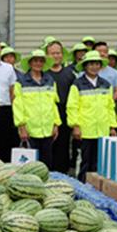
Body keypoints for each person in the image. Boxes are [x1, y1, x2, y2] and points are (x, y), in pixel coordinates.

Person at [66, 51, 117, 182]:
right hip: (85, 131)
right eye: (91, 64)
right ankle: (81, 185)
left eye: (97, 64)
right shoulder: (77, 84)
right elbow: (72, 107)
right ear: (85, 66)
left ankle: (95, 188)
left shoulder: (106, 84)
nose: (94, 67)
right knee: (84, 161)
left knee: (99, 162)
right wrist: (75, 126)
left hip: (102, 130)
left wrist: (112, 126)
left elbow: (110, 107)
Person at [13, 49, 60, 169]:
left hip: (47, 129)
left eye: (41, 61)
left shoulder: (50, 80)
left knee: (46, 164)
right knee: (30, 166)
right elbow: (18, 106)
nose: (38, 63)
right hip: (30, 130)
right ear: (30, 63)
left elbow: (53, 104)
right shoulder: (21, 82)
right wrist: (22, 127)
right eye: (35, 61)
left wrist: (56, 124)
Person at [45, 39, 76, 174]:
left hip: (65, 113)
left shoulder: (70, 74)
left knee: (63, 145)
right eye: (52, 53)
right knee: (48, 145)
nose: (56, 56)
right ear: (47, 55)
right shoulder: (44, 74)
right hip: (47, 114)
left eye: (58, 53)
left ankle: (62, 173)